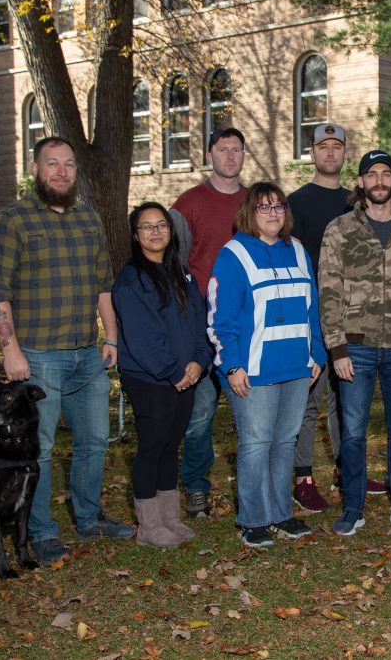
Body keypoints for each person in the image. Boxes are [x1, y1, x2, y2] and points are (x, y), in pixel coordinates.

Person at [0, 136, 134, 564]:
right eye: (52, 163)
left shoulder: (89, 219)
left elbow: (103, 283)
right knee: (41, 447)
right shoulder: (12, 220)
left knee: (94, 441)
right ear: (35, 169)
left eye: (68, 164)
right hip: (38, 356)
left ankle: (89, 516)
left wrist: (111, 336)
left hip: (88, 353)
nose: (62, 171)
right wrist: (10, 351)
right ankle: (41, 529)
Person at [318, 150, 391, 536]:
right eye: (373, 175)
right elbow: (329, 291)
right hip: (356, 348)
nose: (380, 181)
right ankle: (353, 506)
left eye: (387, 174)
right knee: (353, 431)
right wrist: (336, 348)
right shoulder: (339, 229)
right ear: (361, 182)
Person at [208, 183, 327, 548]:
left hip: (296, 367)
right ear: (249, 212)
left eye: (279, 206)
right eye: (264, 207)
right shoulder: (234, 254)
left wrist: (317, 354)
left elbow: (312, 308)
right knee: (257, 443)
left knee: (285, 441)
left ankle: (281, 514)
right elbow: (220, 319)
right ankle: (254, 519)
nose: (273, 213)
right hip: (253, 371)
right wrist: (231, 366)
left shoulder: (298, 250)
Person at [288, 123, 376, 513]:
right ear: (312, 153)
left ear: (345, 154)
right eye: (322, 147)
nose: (329, 153)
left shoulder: (357, 202)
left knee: (349, 399)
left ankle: (347, 469)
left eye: (336, 147)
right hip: (311, 314)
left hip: (353, 315)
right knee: (309, 399)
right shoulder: (296, 202)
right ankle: (302, 477)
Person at [113, 202, 210, 548]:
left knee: (172, 447)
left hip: (186, 376)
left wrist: (200, 361)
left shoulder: (182, 274)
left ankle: (170, 517)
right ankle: (149, 526)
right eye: (146, 227)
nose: (156, 232)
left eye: (161, 225)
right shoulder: (131, 280)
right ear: (136, 236)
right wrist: (174, 372)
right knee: (152, 447)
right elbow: (143, 337)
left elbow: (199, 324)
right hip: (151, 380)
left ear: (170, 231)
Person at [169, 127, 247, 519]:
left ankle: (253, 489)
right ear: (210, 155)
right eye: (222, 150)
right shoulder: (189, 204)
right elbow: (174, 265)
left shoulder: (255, 203)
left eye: (236, 150)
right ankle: (197, 488)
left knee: (249, 412)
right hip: (200, 328)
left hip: (243, 329)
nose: (230, 156)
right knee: (199, 416)